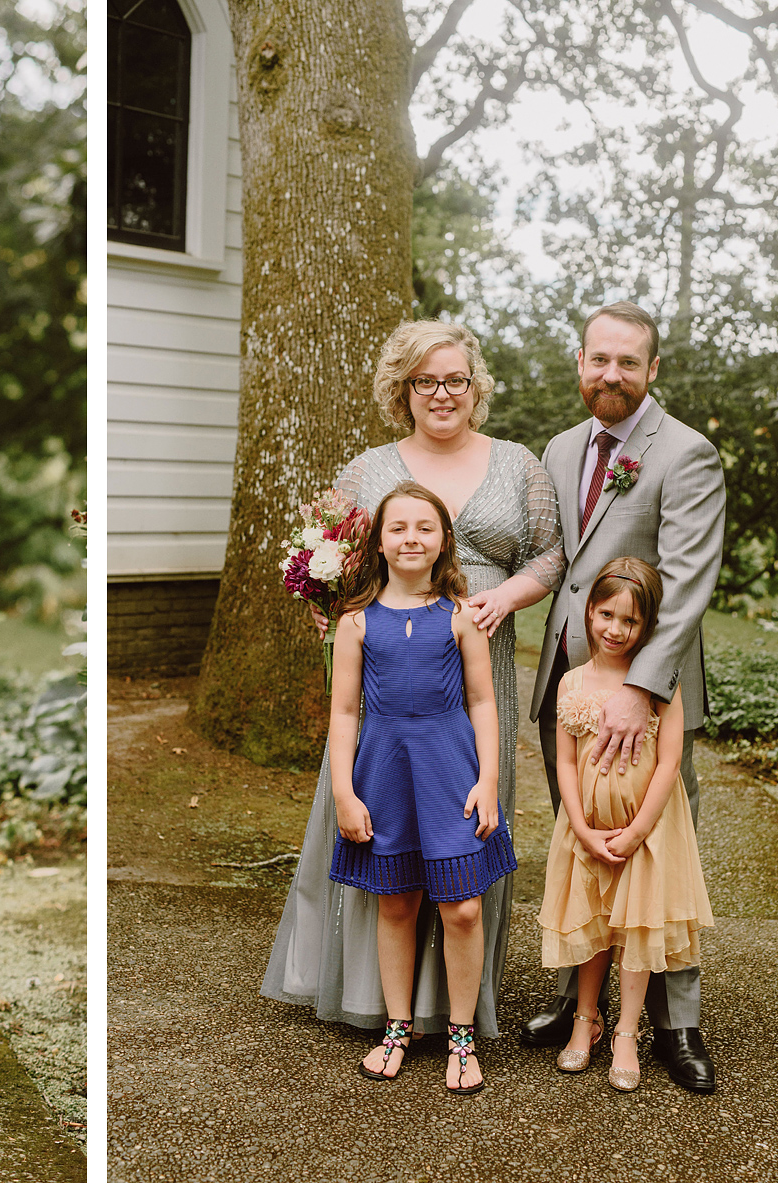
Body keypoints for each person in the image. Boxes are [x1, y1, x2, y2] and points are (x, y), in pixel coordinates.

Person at [262, 320, 563, 1041]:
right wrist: (332, 609)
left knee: (466, 823)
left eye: (455, 378)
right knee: (382, 822)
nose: (442, 393)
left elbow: (551, 555)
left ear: (475, 387)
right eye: (424, 381)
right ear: (403, 391)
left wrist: (507, 596)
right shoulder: (367, 469)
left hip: (477, 647)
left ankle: (458, 1008)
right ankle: (384, 999)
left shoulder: (518, 463)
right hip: (391, 668)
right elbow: (328, 556)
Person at [521, 302, 725, 1096]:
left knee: (658, 853)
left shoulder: (686, 452)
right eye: (599, 359)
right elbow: (559, 563)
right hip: (568, 686)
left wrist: (644, 690)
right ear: (580, 361)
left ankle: (677, 1021)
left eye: (628, 363)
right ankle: (586, 1003)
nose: (612, 375)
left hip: (644, 694)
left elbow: (688, 580)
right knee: (584, 844)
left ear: (652, 370)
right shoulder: (563, 446)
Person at [327, 482, 517, 1092]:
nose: (412, 538)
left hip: (450, 771)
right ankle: (398, 1026)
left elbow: (483, 702)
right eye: (398, 528)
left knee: (461, 907)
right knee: (397, 902)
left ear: (443, 541)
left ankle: (462, 1035)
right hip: (383, 774)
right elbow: (344, 714)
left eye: (425, 528)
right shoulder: (356, 623)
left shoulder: (461, 617)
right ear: (378, 544)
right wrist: (343, 793)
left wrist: (489, 780)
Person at [537, 558, 713, 1091]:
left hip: (647, 831)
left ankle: (627, 1035)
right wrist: (580, 827)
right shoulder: (571, 682)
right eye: (605, 614)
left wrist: (638, 831)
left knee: (636, 930)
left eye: (630, 622)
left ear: (648, 627)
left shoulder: (660, 685)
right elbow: (565, 761)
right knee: (594, 927)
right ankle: (585, 1021)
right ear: (588, 610)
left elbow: (669, 762)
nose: (614, 629)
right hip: (588, 827)